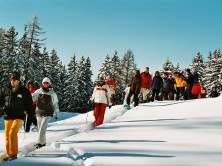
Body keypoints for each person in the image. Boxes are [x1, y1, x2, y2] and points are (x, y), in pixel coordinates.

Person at [0, 72, 33, 161]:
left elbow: (29, 105)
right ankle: (8, 154)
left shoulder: (24, 91)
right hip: (8, 115)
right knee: (7, 135)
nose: (12, 81)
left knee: (12, 133)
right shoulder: (5, 89)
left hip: (19, 115)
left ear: (18, 81)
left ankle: (14, 154)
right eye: (11, 79)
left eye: (14, 80)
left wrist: (31, 116)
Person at [32, 77, 60, 149]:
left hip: (48, 113)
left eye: (47, 83)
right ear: (42, 83)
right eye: (44, 83)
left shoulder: (52, 93)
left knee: (42, 127)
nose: (45, 84)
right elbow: (32, 99)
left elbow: (55, 104)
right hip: (39, 112)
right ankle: (43, 142)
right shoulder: (38, 92)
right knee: (40, 129)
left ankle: (40, 143)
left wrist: (57, 113)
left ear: (49, 84)